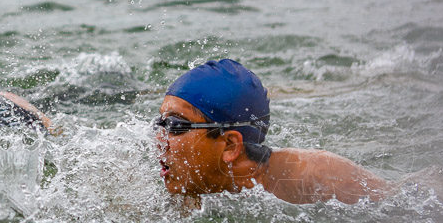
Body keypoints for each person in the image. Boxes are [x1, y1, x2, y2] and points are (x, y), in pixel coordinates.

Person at [155, 59, 392, 205]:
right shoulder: (187, 190)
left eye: (176, 126)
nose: (159, 140)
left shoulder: (319, 177)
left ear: (230, 145)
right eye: (161, 123)